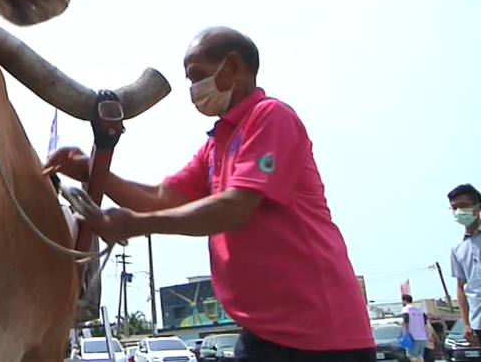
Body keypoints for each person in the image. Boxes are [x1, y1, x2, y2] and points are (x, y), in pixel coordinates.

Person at [46, 27, 375, 361]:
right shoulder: (217, 145)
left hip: (322, 336)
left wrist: (137, 224)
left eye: (197, 76)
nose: (193, 91)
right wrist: (91, 170)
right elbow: (160, 197)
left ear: (233, 67)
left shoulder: (270, 117)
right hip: (265, 333)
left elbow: (236, 207)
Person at [449, 183, 481, 345]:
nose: (459, 212)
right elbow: (461, 286)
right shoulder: (457, 248)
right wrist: (467, 323)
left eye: (464, 206)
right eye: (454, 208)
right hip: (478, 322)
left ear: (478, 208)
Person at [401, 294, 428, 361]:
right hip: (422, 336)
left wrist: (406, 334)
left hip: (412, 337)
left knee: (412, 356)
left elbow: (406, 322)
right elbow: (425, 323)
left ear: (404, 301)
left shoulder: (406, 310)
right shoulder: (420, 311)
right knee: (420, 356)